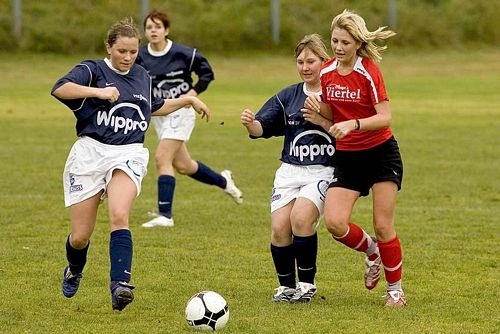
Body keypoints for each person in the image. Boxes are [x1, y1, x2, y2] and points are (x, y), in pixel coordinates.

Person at [51, 17, 210, 311]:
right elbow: (60, 88)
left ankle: (120, 285)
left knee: (120, 214)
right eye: (121, 51)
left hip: (128, 152)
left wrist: (188, 100)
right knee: (80, 236)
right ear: (109, 47)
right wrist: (98, 92)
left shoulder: (142, 75)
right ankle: (74, 269)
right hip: (90, 153)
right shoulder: (92, 69)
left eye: (133, 52)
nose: (127, 58)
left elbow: (156, 106)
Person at [303, 9, 406, 307]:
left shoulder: (368, 71)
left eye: (345, 42)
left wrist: (354, 124)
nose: (338, 47)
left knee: (383, 225)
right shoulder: (326, 71)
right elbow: (335, 112)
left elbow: (385, 116)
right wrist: (319, 113)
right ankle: (372, 251)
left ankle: (395, 291)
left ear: (357, 44)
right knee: (335, 222)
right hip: (348, 156)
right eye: (334, 41)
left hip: (381, 153)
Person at [241, 34, 335, 303]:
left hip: (322, 171)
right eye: (300, 62)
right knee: (280, 228)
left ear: (323, 62)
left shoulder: (334, 94)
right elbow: (262, 128)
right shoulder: (288, 96)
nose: (305, 67)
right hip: (290, 172)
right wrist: (250, 124)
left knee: (301, 219)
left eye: (311, 61)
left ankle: (307, 284)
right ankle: (286, 287)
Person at [136, 9, 243, 228]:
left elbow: (206, 74)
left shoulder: (184, 53)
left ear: (167, 30)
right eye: (149, 27)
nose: (153, 31)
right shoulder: (139, 56)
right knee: (184, 165)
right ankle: (224, 181)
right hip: (159, 112)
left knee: (161, 158)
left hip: (182, 111)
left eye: (157, 27)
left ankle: (165, 215)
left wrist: (190, 98)